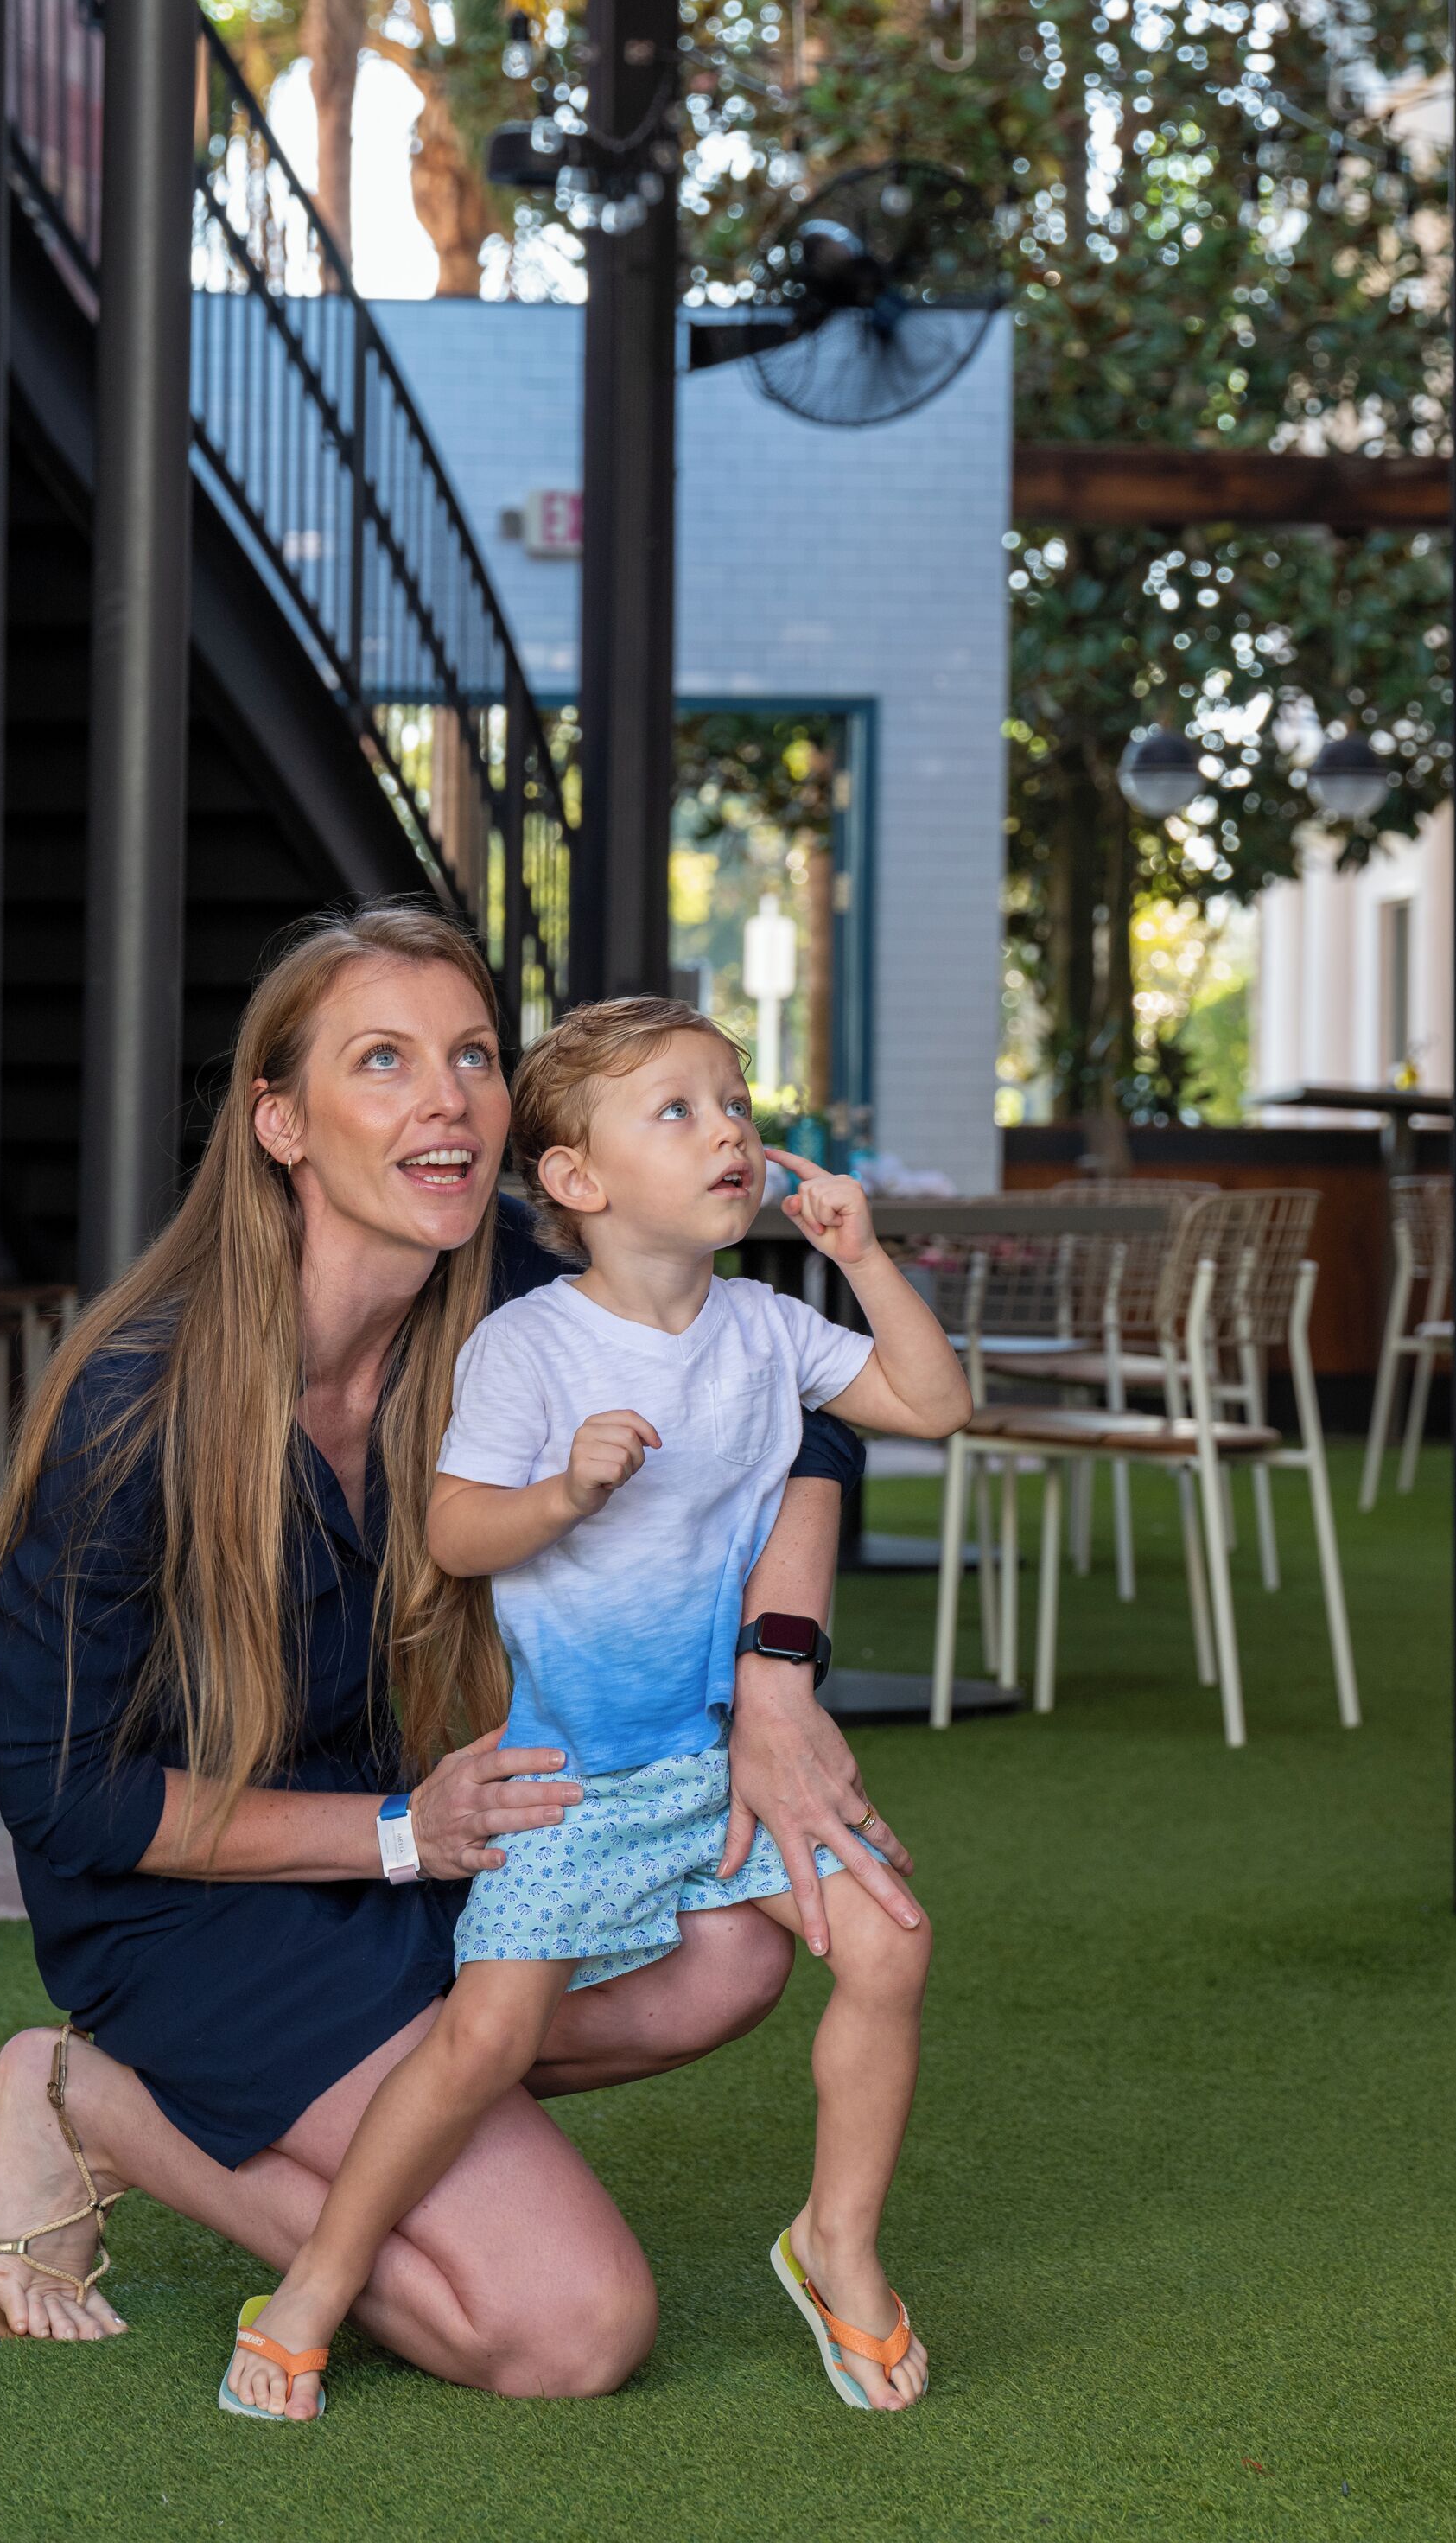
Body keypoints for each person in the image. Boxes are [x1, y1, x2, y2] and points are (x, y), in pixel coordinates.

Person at [0, 904, 918, 2398]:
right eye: (384, 1061)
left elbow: (795, 1432)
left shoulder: (518, 1318)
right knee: (567, 2330)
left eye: (473, 1056)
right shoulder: (133, 1411)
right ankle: (92, 2101)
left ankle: (380, 2100)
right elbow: (65, 1800)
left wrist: (776, 1684)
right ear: (279, 1122)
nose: (449, 1101)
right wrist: (406, 1833)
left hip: (431, 1842)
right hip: (206, 1899)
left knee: (729, 1957)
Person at [220, 996, 970, 2425]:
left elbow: (930, 1406)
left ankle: (838, 2247)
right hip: (565, 1778)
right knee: (482, 2044)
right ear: (577, 1180)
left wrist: (865, 1263)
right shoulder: (530, 1347)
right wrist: (565, 1490)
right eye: (679, 1110)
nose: (732, 1131)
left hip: (716, 1770)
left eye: (737, 1104)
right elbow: (448, 1532)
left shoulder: (768, 1326)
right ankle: (315, 2279)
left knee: (892, 1948)